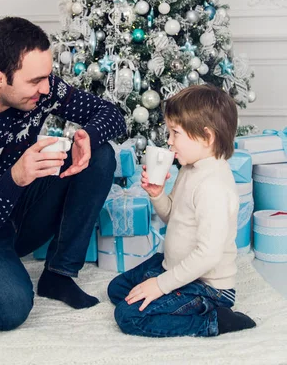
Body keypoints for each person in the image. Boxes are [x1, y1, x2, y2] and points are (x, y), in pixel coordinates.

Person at [0, 16, 126, 331]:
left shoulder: (42, 90)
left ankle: (59, 275)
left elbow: (112, 115)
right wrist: (15, 177)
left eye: (47, 77)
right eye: (35, 81)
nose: (45, 88)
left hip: (23, 207)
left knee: (100, 154)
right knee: (9, 310)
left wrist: (88, 135)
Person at [108, 84, 256, 338]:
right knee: (118, 288)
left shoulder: (214, 186)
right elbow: (172, 217)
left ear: (206, 137)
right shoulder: (191, 168)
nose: (169, 141)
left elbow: (208, 256)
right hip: (178, 268)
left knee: (128, 315)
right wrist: (157, 195)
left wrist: (161, 285)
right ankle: (172, 291)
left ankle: (213, 321)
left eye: (175, 133)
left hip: (208, 287)